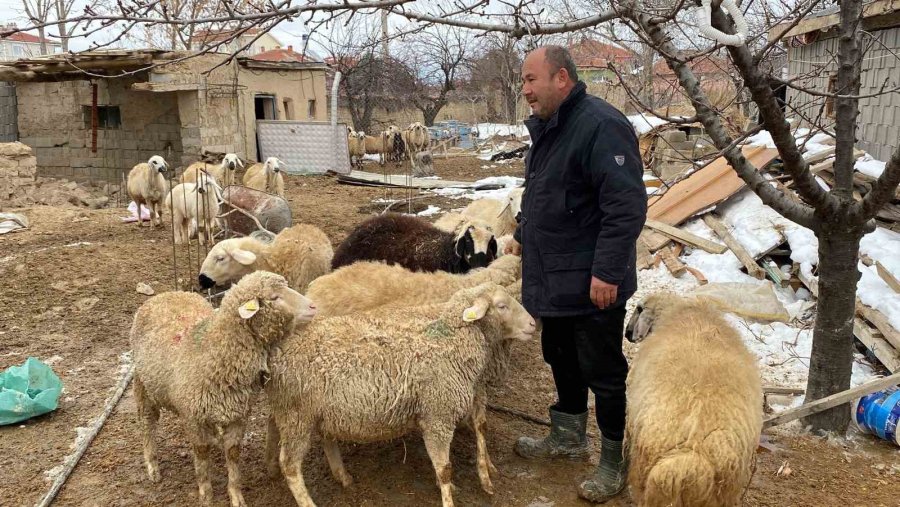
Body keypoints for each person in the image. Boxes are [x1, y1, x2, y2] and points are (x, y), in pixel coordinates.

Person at [505, 46, 647, 503]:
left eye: (531, 79)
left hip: (592, 284)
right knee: (560, 358)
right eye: (523, 82)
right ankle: (567, 438)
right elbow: (546, 192)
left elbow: (624, 207)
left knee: (603, 371)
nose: (525, 90)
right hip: (554, 276)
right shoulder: (552, 128)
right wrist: (524, 234)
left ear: (561, 78)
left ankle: (613, 459)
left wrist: (607, 272)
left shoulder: (600, 125)